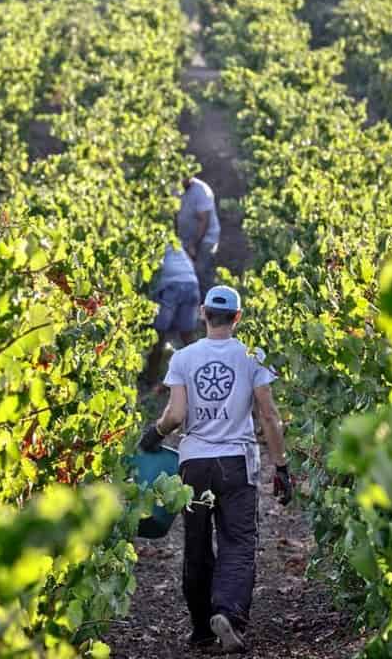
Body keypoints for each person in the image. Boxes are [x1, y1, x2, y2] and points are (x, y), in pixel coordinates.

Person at [139, 285, 293, 653]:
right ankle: (228, 612)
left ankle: (201, 630)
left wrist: (153, 434)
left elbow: (175, 416)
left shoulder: (184, 358)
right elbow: (269, 416)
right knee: (238, 543)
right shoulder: (252, 355)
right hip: (237, 462)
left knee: (196, 546)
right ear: (237, 317)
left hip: (194, 463)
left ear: (204, 313)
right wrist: (281, 466)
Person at [143, 244, 200, 385]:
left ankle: (151, 379)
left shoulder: (149, 242)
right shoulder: (176, 243)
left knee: (159, 333)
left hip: (171, 287)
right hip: (192, 283)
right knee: (187, 334)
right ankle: (201, 374)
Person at [178, 177, 222, 296]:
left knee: (201, 271)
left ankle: (207, 306)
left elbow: (204, 221)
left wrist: (193, 245)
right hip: (185, 239)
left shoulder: (201, 191)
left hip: (206, 238)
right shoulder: (176, 188)